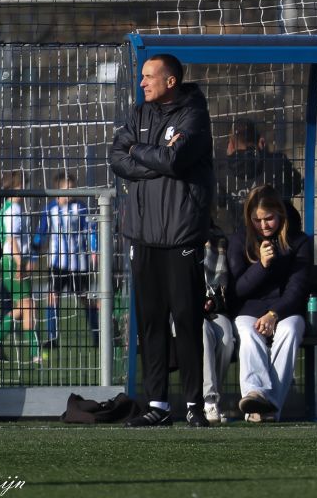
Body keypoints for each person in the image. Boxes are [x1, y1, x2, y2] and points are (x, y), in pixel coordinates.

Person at [110, 53, 214, 427]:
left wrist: (139, 152)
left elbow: (175, 160)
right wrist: (153, 159)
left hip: (181, 235)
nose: (142, 83)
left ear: (171, 81)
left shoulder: (194, 115)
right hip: (143, 235)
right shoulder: (139, 114)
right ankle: (158, 405)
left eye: (149, 77)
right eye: (142, 77)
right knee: (151, 323)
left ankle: (195, 405)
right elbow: (116, 157)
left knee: (186, 320)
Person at [227, 185, 311, 422]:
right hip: (249, 309)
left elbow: (297, 288)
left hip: (286, 310)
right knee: (248, 332)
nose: (263, 225)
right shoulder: (240, 240)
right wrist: (262, 266)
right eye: (257, 220)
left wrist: (274, 314)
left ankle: (270, 405)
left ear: (280, 214)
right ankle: (255, 394)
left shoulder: (299, 241)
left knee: (290, 330)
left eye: (269, 219)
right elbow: (238, 290)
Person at [32, 171, 99, 348]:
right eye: (67, 189)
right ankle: (52, 338)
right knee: (52, 297)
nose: (71, 193)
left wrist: (94, 251)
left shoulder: (81, 207)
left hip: (79, 263)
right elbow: (41, 233)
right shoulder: (49, 209)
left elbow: (91, 229)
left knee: (85, 298)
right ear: (58, 190)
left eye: (73, 188)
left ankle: (98, 335)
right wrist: (34, 254)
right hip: (57, 263)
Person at [215, 118, 303, 235]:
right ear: (261, 142)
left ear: (230, 145)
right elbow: (296, 187)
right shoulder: (278, 163)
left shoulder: (222, 172)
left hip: (243, 237)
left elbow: (220, 202)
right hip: (280, 234)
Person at [0, 171, 39, 364]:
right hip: (12, 261)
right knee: (28, 305)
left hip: (9, 260)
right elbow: (11, 240)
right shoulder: (13, 209)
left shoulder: (8, 208)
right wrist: (20, 263)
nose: (24, 190)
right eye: (21, 186)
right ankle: (33, 352)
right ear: (13, 188)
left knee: (25, 306)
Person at [201, 224, 237, 424]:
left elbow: (223, 288)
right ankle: (208, 400)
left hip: (213, 308)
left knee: (226, 339)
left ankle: (214, 395)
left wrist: (212, 301)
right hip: (181, 311)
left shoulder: (219, 240)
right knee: (203, 331)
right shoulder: (175, 240)